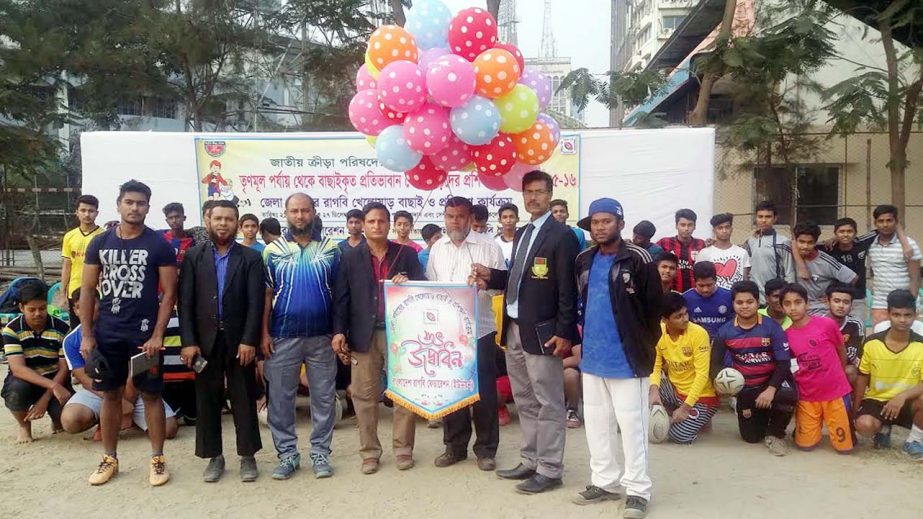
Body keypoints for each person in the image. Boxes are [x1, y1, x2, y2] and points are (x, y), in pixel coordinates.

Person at [470, 170, 579, 496]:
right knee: (526, 399)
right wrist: (490, 276)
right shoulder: (522, 232)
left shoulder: (561, 236)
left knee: (549, 401)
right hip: (515, 328)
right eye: (528, 192)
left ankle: (550, 468)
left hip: (545, 332)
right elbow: (518, 280)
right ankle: (530, 459)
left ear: (550, 194)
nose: (533, 198)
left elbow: (567, 291)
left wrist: (564, 332)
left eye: (539, 192)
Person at [79, 179, 178, 486]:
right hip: (108, 335)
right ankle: (110, 458)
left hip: (144, 339)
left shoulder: (159, 244)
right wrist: (86, 334)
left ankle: (158, 459)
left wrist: (158, 334)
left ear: (148, 206)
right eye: (129, 202)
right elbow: (87, 289)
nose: (135, 208)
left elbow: (169, 293)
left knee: (151, 394)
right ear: (119, 204)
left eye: (141, 203)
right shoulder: (100, 243)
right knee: (110, 395)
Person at [568, 197, 661, 518]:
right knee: (596, 424)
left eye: (607, 221)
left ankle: (637, 489)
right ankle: (604, 481)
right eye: (595, 222)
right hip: (592, 357)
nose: (600, 227)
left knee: (632, 425)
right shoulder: (583, 259)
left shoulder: (639, 258)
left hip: (628, 358)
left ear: (620, 224)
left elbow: (653, 309)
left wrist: (645, 349)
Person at [332, 202, 425, 475]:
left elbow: (421, 289)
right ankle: (370, 452)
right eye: (371, 221)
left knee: (403, 393)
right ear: (363, 224)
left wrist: (407, 282)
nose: (377, 226)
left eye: (382, 221)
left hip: (401, 333)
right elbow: (341, 299)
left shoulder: (406, 255)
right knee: (364, 395)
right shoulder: (348, 256)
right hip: (363, 334)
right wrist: (339, 331)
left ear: (390, 224)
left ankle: (403, 448)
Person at [179, 200, 264, 483]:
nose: (223, 224)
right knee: (207, 399)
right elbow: (185, 301)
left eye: (229, 219)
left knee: (243, 398)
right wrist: (189, 341)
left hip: (239, 341)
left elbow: (255, 303)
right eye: (218, 218)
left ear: (237, 223)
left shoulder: (250, 258)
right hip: (204, 343)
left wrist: (249, 339)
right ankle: (214, 456)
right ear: (208, 221)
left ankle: (248, 456)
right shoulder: (193, 256)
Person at [261, 193, 340, 480]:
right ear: (286, 213)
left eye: (305, 210)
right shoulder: (272, 251)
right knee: (280, 399)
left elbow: (340, 295)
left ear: (314, 212)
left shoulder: (331, 249)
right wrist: (264, 333)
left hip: (322, 337)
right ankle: (287, 455)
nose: (300, 216)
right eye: (294, 211)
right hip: (282, 336)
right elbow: (265, 295)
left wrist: (338, 331)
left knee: (323, 397)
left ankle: (320, 452)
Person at [426, 197, 506, 471]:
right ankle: (454, 447)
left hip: (480, 330)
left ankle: (485, 450)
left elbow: (501, 287)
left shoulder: (488, 246)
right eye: (450, 216)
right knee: (452, 391)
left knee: (483, 392)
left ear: (470, 217)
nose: (455, 222)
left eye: (460, 216)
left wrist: (485, 283)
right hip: (447, 332)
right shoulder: (438, 248)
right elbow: (430, 287)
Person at [60, 288, 178, 440]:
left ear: (101, 305)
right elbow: (82, 377)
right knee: (71, 421)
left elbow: (136, 367)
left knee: (169, 430)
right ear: (74, 311)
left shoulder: (123, 329)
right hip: (98, 391)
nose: (85, 309)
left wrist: (127, 401)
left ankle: (128, 420)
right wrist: (116, 401)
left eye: (91, 303)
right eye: (78, 306)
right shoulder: (71, 340)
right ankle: (104, 421)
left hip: (134, 389)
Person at [711, 281, 795, 456]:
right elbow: (715, 364)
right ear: (733, 304)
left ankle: (776, 434)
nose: (745, 306)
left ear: (758, 302)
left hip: (772, 383)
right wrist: (723, 386)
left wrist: (771, 390)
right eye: (739, 302)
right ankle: (760, 413)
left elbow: (784, 363)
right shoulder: (725, 332)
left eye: (749, 302)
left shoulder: (772, 327)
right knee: (751, 437)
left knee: (787, 396)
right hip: (746, 387)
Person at [780, 284, 854, 453]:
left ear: (807, 304)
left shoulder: (827, 324)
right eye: (788, 304)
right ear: (783, 307)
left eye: (798, 302)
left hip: (835, 392)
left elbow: (840, 349)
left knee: (845, 449)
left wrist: (840, 375)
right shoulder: (786, 335)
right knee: (805, 446)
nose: (793, 308)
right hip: (808, 395)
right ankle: (811, 429)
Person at [853, 289, 923, 459]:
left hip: (908, 402)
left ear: (915, 315)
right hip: (877, 401)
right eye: (897, 314)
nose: (902, 320)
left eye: (907, 315)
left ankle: (914, 441)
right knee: (864, 426)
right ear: (888, 314)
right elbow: (862, 378)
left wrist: (902, 396)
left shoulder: (921, 345)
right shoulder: (872, 343)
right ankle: (883, 428)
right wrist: (854, 412)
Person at [2, 281, 71, 443]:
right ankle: (24, 426)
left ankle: (56, 420)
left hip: (56, 377)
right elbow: (18, 369)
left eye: (42, 308)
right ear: (21, 308)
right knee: (15, 389)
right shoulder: (11, 330)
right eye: (31, 310)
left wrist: (46, 397)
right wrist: (53, 387)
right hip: (25, 379)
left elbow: (64, 368)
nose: (38, 314)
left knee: (70, 421)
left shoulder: (61, 328)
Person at [650, 292, 720, 444]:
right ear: (664, 320)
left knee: (677, 436)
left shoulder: (699, 333)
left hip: (702, 397)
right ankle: (684, 417)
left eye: (686, 313)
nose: (686, 319)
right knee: (645, 389)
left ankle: (695, 418)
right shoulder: (658, 331)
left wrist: (686, 408)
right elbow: (655, 367)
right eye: (678, 316)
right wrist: (654, 392)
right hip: (675, 390)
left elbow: (702, 374)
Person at [867, 205, 922, 326]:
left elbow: (915, 278)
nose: (885, 224)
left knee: (908, 342)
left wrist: (910, 304)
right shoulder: (870, 244)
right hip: (880, 303)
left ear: (896, 222)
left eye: (889, 220)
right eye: (881, 221)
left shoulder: (909, 245)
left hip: (905, 303)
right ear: (875, 223)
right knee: (881, 340)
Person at [791, 221, 858, 316]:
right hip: (795, 308)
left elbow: (852, 278)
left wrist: (831, 294)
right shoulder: (789, 255)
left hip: (819, 310)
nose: (805, 246)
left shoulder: (826, 261)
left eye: (810, 243)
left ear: (815, 243)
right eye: (801, 242)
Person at [61, 194, 103, 327]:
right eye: (83, 210)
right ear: (77, 212)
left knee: (97, 329)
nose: (87, 214)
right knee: (76, 329)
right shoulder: (69, 236)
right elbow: (67, 266)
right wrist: (62, 294)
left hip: (97, 292)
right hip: (74, 291)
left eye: (91, 211)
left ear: (97, 213)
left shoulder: (104, 236)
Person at [743, 201, 794, 303]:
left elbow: (790, 272)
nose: (764, 220)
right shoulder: (750, 241)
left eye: (768, 217)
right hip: (755, 298)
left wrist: (788, 296)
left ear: (775, 218)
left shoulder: (782, 242)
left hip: (774, 298)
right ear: (756, 218)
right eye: (760, 216)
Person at [656, 209, 706, 293]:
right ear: (676, 225)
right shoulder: (664, 243)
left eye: (690, 225)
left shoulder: (701, 244)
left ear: (695, 226)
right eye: (683, 225)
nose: (686, 228)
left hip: (695, 293)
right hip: (670, 293)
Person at [696, 212, 750, 289]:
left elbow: (745, 278)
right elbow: (699, 278)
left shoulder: (742, 252)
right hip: (713, 296)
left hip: (736, 297)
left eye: (727, 227)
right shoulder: (704, 253)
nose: (724, 231)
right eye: (720, 228)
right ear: (714, 230)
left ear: (731, 229)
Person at [682, 261, 733, 341]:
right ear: (694, 281)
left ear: (716, 280)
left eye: (709, 285)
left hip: (723, 344)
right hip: (695, 344)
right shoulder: (685, 298)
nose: (705, 290)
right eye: (701, 285)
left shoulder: (729, 296)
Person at [825, 284, 864, 385]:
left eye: (846, 302)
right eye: (836, 301)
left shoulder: (855, 324)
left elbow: (851, 354)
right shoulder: (818, 322)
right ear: (827, 302)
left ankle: (851, 399)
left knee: (850, 370)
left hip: (844, 366)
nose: (841, 306)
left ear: (851, 305)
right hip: (822, 366)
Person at [563, 345, 582, 429]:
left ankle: (572, 410)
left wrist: (553, 365)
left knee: (570, 374)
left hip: (564, 368)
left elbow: (578, 358)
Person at [496, 203, 519, 268]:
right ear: (499, 220)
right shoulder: (495, 242)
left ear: (517, 219)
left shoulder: (523, 240)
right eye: (505, 217)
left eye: (511, 217)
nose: (508, 220)